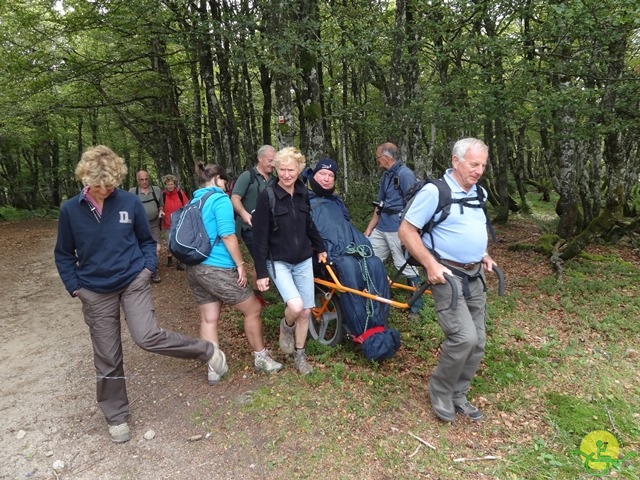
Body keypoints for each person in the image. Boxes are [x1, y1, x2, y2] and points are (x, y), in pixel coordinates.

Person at [54, 145, 226, 443]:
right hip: (94, 290)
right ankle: (116, 415)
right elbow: (64, 254)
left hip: (133, 279)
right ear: (85, 179)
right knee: (107, 355)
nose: (105, 190)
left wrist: (147, 269)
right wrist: (75, 287)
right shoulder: (70, 210)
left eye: (110, 184)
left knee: (146, 336)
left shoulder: (129, 202)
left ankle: (208, 351)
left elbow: (147, 242)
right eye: (98, 185)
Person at [398, 137, 497, 423]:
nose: (478, 170)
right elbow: (406, 230)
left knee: (478, 341)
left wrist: (484, 254)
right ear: (456, 161)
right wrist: (429, 264)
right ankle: (440, 392)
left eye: (482, 165)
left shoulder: (479, 193)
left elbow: (473, 228)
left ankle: (459, 395)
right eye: (473, 164)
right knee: (463, 337)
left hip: (475, 274)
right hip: (447, 275)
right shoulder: (434, 191)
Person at [185, 162, 282, 386]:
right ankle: (261, 358)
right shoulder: (219, 199)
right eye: (225, 182)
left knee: (209, 318)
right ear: (219, 179)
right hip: (217, 266)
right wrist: (240, 264)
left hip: (195, 267)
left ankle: (214, 368)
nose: (226, 186)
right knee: (253, 308)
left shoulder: (194, 200)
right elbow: (228, 235)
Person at [302, 159, 400, 361]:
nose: (327, 179)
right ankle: (361, 327)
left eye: (331, 176)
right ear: (314, 176)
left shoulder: (336, 202)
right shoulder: (302, 199)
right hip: (323, 252)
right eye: (323, 174)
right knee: (348, 267)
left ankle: (377, 324)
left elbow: (344, 225)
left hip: (346, 247)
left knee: (375, 264)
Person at [252, 147, 327, 375]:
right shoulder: (268, 197)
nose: (286, 175)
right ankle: (286, 326)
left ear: (299, 170)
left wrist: (320, 247)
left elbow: (308, 225)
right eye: (282, 170)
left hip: (303, 258)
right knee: (295, 307)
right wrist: (261, 272)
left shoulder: (303, 193)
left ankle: (300, 355)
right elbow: (259, 236)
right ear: (276, 169)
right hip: (279, 261)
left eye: (291, 170)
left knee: (306, 311)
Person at [363, 142, 423, 317]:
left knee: (406, 265)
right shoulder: (386, 176)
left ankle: (416, 306)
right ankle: (373, 296)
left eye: (377, 158)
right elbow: (379, 206)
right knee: (370, 258)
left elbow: (415, 205)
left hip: (398, 229)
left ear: (385, 158)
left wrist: (408, 232)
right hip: (381, 228)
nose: (377, 161)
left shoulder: (405, 175)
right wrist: (369, 230)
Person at [231, 145, 277, 306]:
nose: (273, 164)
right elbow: (235, 197)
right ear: (260, 159)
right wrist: (244, 214)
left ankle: (264, 289)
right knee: (261, 257)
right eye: (270, 161)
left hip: (269, 227)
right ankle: (258, 295)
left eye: (275, 161)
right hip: (249, 227)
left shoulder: (274, 179)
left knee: (268, 256)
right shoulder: (247, 176)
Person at [130, 170, 164, 283]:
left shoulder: (156, 190)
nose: (144, 181)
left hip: (154, 224)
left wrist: (161, 211)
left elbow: (161, 205)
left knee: (157, 248)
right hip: (138, 225)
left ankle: (153, 271)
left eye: (146, 179)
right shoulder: (132, 192)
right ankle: (142, 271)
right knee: (140, 248)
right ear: (137, 180)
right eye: (141, 179)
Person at [161, 173, 189, 270]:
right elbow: (160, 207)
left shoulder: (180, 194)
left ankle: (179, 261)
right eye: (168, 184)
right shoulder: (163, 195)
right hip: (168, 223)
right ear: (165, 185)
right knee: (169, 243)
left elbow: (187, 205)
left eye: (171, 184)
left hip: (180, 223)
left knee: (180, 241)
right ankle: (169, 258)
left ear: (175, 184)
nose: (170, 186)